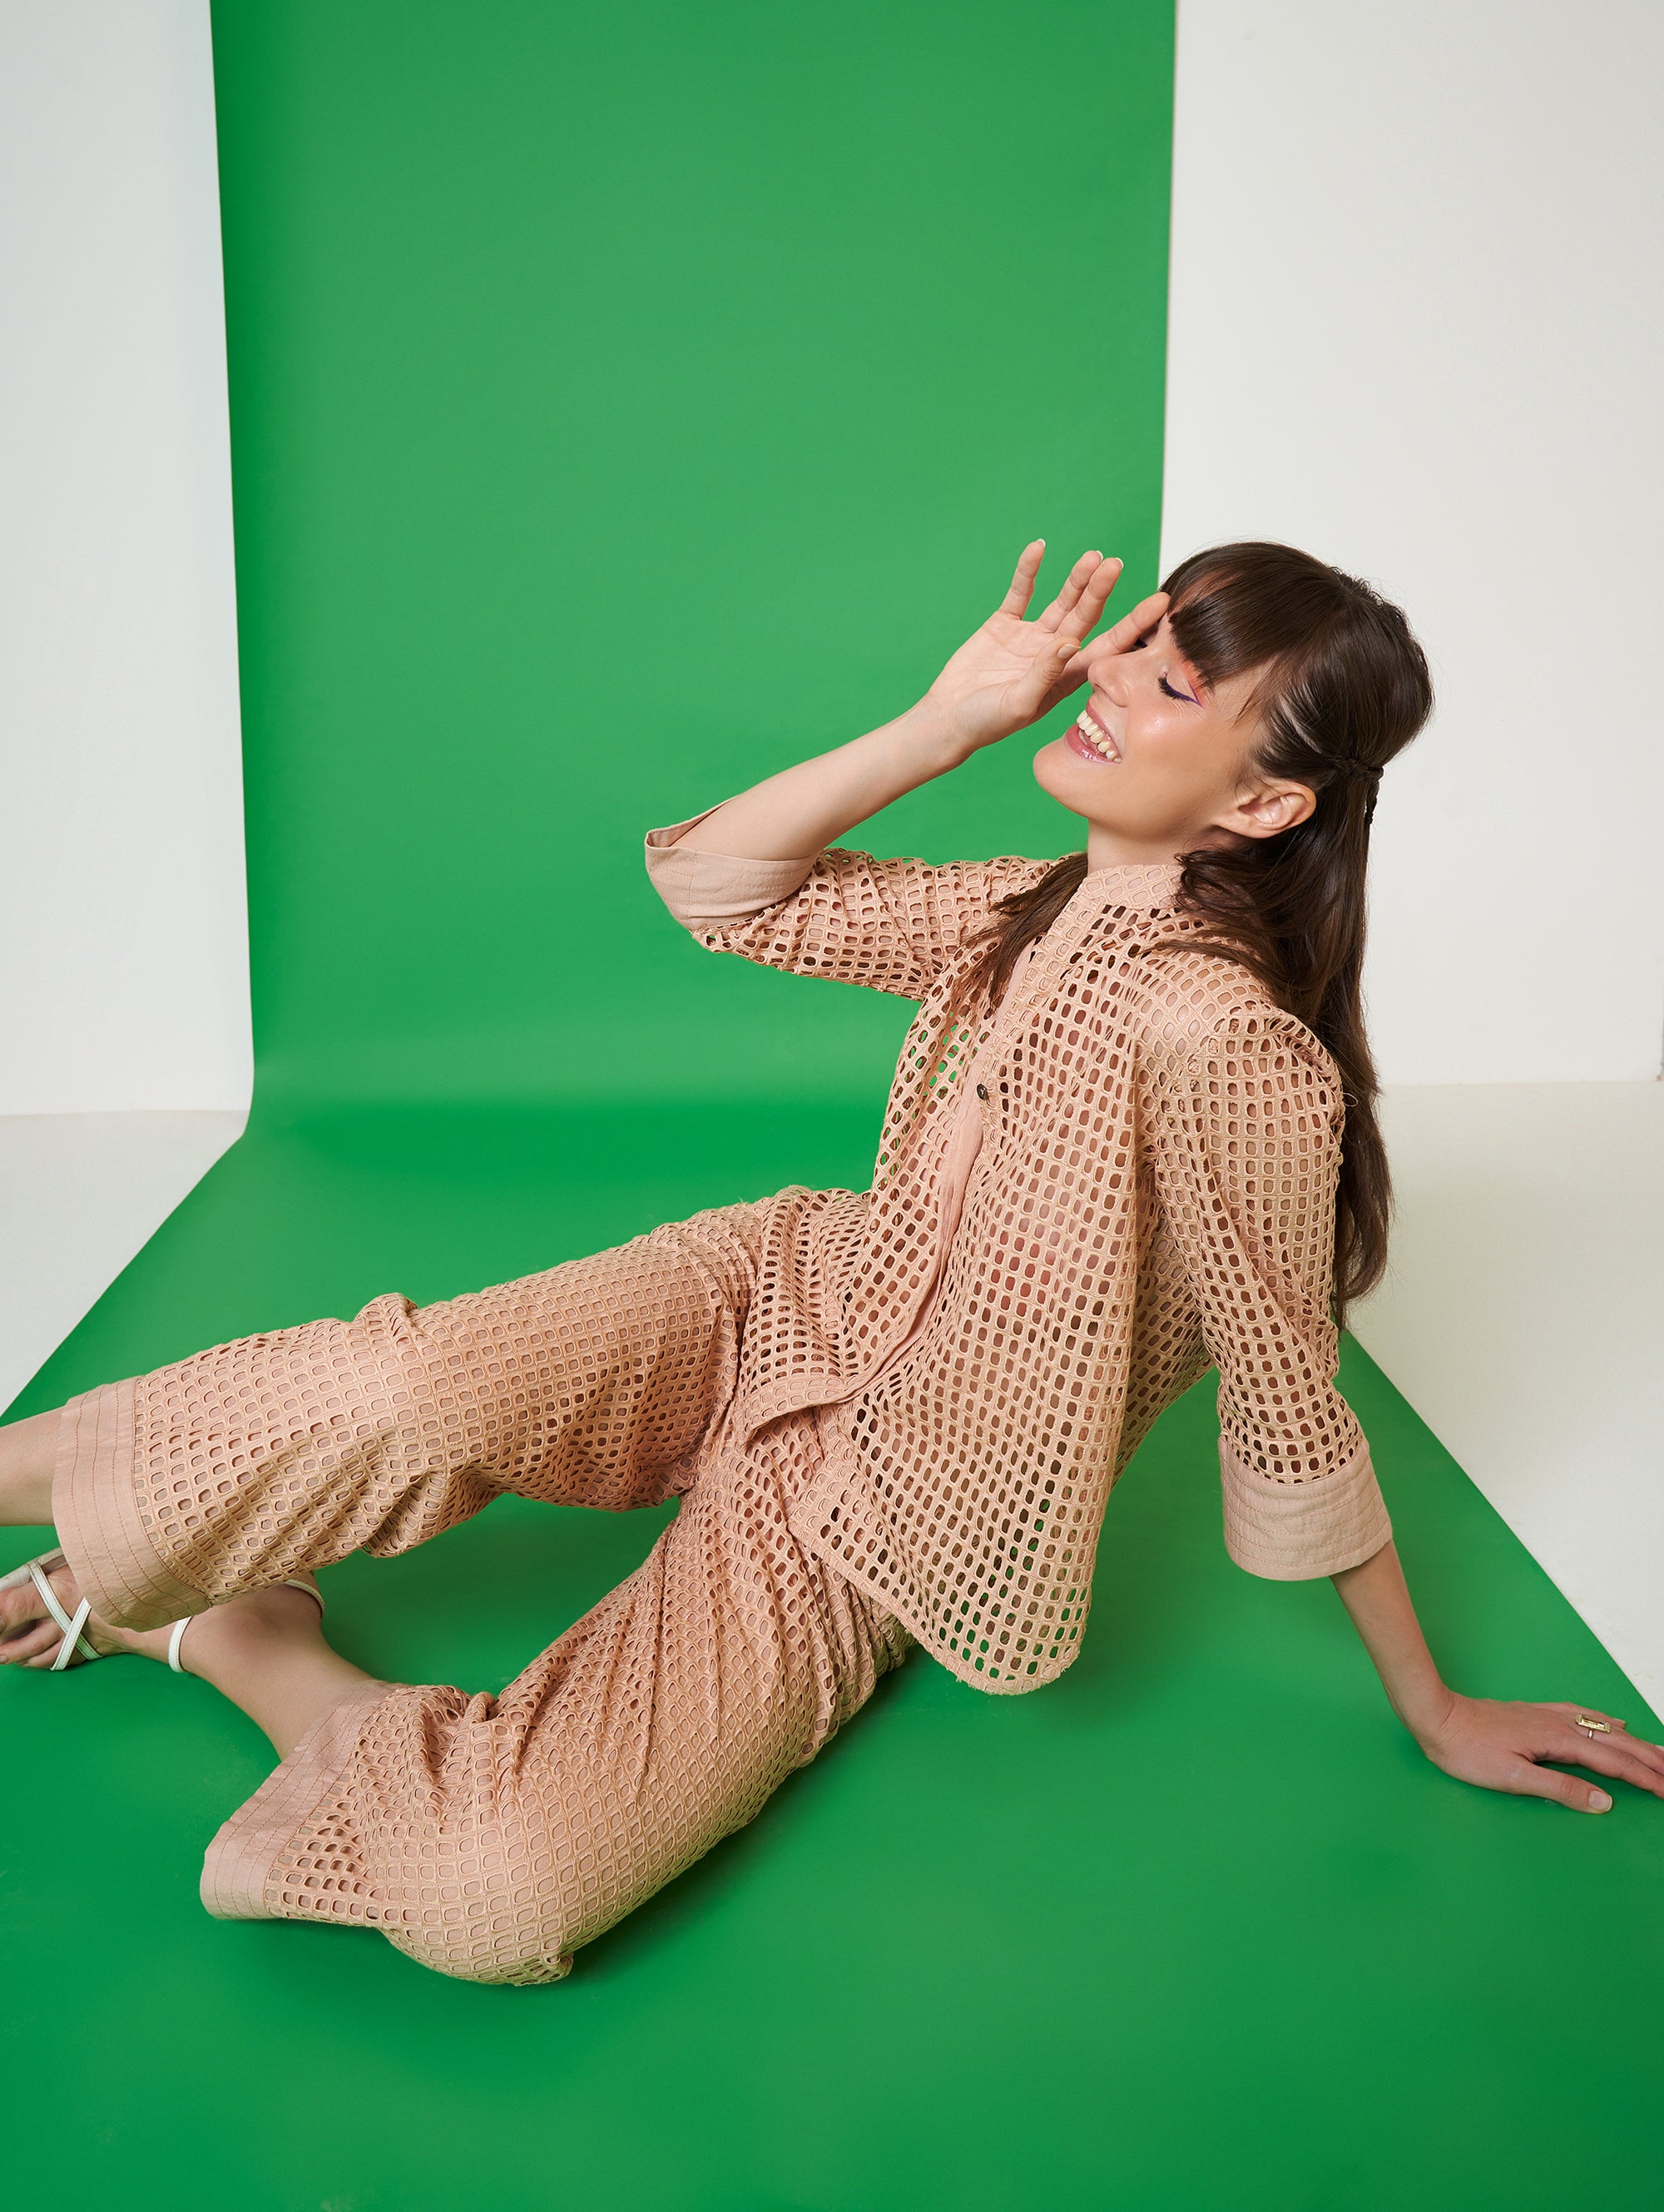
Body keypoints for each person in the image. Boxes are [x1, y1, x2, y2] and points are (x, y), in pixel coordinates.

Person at [3, 539, 1658, 1987]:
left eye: (1169, 684)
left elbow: (1292, 1406)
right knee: (401, 1395)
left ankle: (242, 1634)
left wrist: (1433, 1705)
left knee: (501, 1891)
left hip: (883, 1515)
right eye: (1143, 636)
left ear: (1262, 803)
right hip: (769, 1298)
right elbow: (721, 887)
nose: (1110, 675)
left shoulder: (1229, 1047)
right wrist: (944, 725)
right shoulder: (1025, 906)